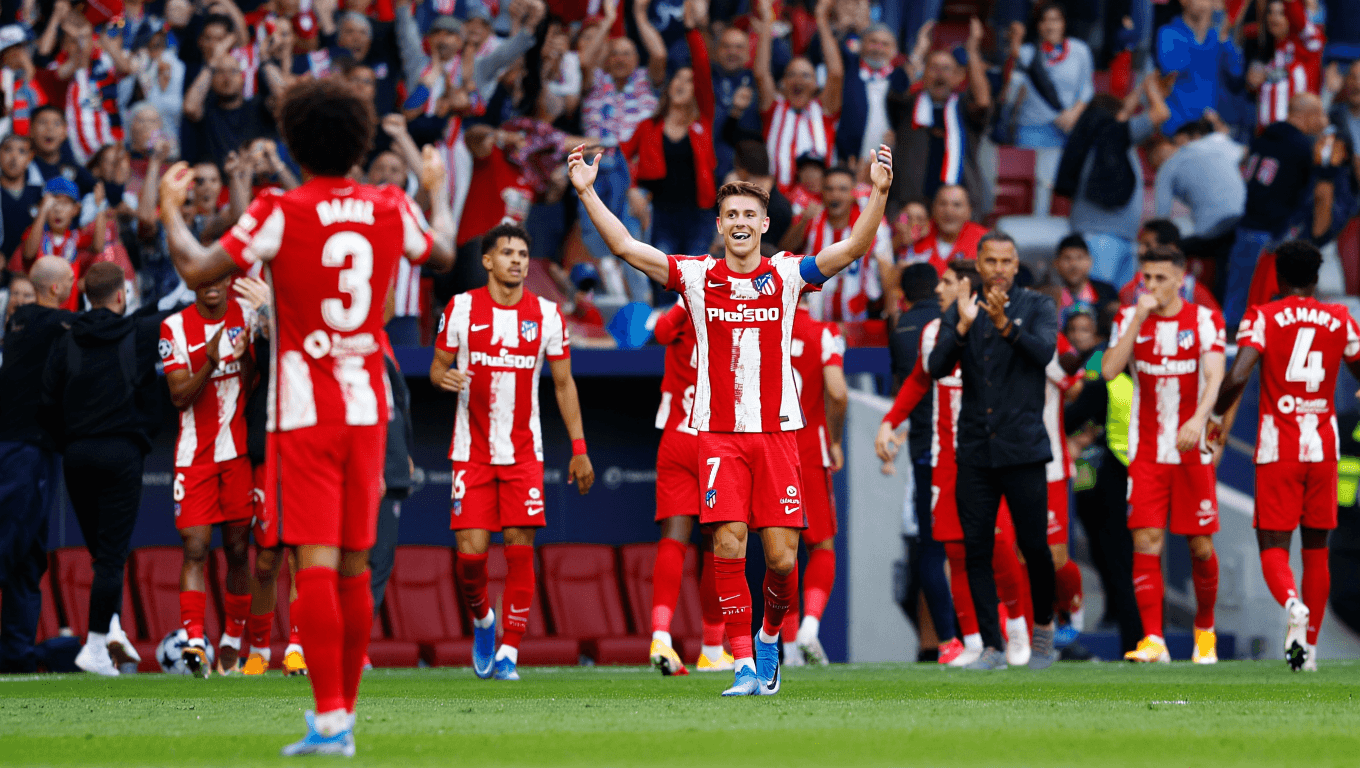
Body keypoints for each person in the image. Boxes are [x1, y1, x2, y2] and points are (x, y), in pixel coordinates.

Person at [157, 77, 456, 754]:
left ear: (293, 141)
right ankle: (343, 716)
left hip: (304, 412)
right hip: (369, 409)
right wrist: (435, 187)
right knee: (356, 567)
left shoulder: (279, 208)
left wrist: (170, 209)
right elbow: (441, 252)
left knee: (314, 566)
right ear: (360, 141)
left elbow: (200, 267)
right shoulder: (390, 204)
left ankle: (329, 721)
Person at [568, 136, 894, 695]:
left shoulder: (788, 275)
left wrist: (880, 194)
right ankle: (742, 663)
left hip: (778, 437)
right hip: (717, 436)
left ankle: (769, 636)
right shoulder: (697, 276)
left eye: (749, 215)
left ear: (764, 225)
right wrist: (587, 192)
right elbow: (625, 246)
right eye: (731, 216)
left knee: (782, 560)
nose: (740, 223)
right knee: (727, 544)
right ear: (719, 226)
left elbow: (853, 248)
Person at [430, 223, 595, 682]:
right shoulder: (462, 308)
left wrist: (579, 447)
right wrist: (444, 379)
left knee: (521, 553)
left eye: (522, 253)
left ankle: (509, 652)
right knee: (471, 557)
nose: (517, 260)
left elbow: (563, 383)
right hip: (472, 452)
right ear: (488, 261)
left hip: (524, 454)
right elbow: (437, 368)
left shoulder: (547, 314)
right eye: (507, 253)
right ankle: (485, 621)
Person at [1210, 241, 1360, 672]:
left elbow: (1238, 374)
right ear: (1316, 279)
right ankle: (1308, 650)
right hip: (1323, 448)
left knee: (1274, 545)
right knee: (1317, 550)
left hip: (1280, 447)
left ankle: (1293, 604)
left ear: (1278, 277)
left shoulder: (1264, 317)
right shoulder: (1341, 317)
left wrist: (1215, 416)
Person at [880, 258, 1033, 668]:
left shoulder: (998, 329)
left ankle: (1017, 625)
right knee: (955, 550)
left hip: (991, 457)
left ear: (967, 288)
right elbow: (918, 380)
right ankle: (974, 642)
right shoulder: (933, 331)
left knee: (998, 544)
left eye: (947, 282)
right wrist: (889, 422)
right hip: (946, 457)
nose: (938, 289)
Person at [927, 232, 1061, 671]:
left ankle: (1043, 631)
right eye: (991, 261)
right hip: (975, 449)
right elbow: (935, 367)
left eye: (1007, 261)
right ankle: (990, 646)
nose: (999, 269)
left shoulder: (1038, 306)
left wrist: (1005, 326)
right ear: (979, 264)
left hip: (1024, 448)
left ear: (1017, 264)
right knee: (976, 549)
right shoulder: (961, 308)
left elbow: (1044, 353)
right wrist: (964, 327)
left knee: (1034, 547)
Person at [40, 262, 173, 677]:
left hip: (77, 455)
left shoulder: (65, 340)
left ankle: (110, 628)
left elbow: (47, 401)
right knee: (111, 557)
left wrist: (69, 440)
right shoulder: (140, 332)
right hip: (121, 453)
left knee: (102, 554)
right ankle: (96, 645)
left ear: (84, 297)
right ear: (121, 296)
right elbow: (179, 312)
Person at [1101, 245, 1225, 664]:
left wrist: (1198, 420)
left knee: (1201, 547)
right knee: (1145, 540)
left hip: (1192, 449)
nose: (1151, 286)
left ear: (1180, 279)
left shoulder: (1204, 319)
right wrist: (1137, 318)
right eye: (1146, 278)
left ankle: (1204, 629)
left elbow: (1215, 375)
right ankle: (1154, 639)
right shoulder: (1127, 317)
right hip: (1147, 449)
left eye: (1160, 279)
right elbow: (1108, 370)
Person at [158, 273, 258, 676]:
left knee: (238, 549)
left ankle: (232, 638)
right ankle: (195, 641)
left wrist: (246, 356)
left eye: (218, 276)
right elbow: (179, 396)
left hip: (237, 454)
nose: (211, 284)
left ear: (229, 278)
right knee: (195, 547)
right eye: (203, 277)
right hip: (194, 456)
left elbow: (257, 380)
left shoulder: (248, 316)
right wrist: (212, 361)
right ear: (191, 281)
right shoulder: (174, 327)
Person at [647, 302, 732, 675]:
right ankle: (712, 648)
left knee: (674, 537)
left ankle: (660, 635)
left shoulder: (687, 306)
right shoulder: (735, 308)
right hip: (717, 442)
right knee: (718, 544)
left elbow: (660, 333)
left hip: (678, 435)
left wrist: (684, 300)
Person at [0, 257, 74, 673]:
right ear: (57, 288)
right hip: (20, 454)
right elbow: (89, 325)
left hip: (36, 452)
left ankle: (16, 653)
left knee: (28, 557)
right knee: (8, 546)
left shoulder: (35, 325)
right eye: (71, 279)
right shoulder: (34, 320)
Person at [1223, 94, 1329, 331]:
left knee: (1237, 302)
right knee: (1266, 306)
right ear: (1309, 115)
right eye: (1320, 114)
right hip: (1275, 233)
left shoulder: (1263, 137)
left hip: (1247, 225)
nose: (1322, 120)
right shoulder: (1303, 146)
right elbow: (1310, 195)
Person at [623, 0, 719, 260]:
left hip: (699, 216)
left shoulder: (703, 121)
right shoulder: (648, 126)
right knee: (663, 276)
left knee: (696, 277)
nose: (681, 84)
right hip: (661, 215)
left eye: (689, 81)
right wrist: (632, 188)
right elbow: (622, 155)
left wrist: (691, 30)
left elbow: (702, 67)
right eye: (678, 78)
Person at [1056, 75, 1170, 288]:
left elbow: (1123, 111)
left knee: (1114, 302)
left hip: (1110, 237)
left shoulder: (1096, 136)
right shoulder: (1114, 134)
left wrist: (1138, 89)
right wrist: (1150, 88)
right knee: (1101, 299)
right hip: (1103, 240)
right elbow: (1161, 113)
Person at [784, 302, 846, 664]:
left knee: (781, 552)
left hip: (769, 452)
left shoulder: (763, 324)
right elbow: (837, 391)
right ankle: (809, 628)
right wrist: (835, 440)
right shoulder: (823, 332)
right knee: (821, 546)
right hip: (809, 452)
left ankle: (789, 646)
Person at [890, 18, 991, 214]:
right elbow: (897, 89)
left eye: (946, 69)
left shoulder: (963, 107)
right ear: (924, 74)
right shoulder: (909, 105)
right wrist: (919, 50)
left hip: (955, 205)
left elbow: (983, 101)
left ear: (958, 76)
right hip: (910, 205)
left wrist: (972, 50)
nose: (940, 74)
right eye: (933, 67)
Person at [1004, 3, 1095, 216]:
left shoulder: (1080, 50)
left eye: (1055, 20)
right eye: (1045, 20)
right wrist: (1014, 55)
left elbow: (1087, 87)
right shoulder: (1027, 53)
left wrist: (1074, 113)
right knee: (1034, 187)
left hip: (1069, 130)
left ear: (1064, 24)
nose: (1050, 25)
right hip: (1032, 128)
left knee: (1064, 188)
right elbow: (1010, 93)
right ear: (1037, 26)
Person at [753, 0, 843, 194]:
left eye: (805, 75)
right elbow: (761, 73)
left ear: (816, 85)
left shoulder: (824, 110)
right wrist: (767, 20)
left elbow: (835, 73)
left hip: (817, 202)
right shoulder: (774, 108)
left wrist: (821, 18)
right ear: (783, 83)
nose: (798, 80)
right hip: (778, 200)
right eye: (792, 74)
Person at [802, 166, 891, 321]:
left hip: (860, 317)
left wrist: (890, 311)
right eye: (829, 189)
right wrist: (803, 221)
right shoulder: (813, 219)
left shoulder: (873, 224)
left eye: (842, 189)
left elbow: (887, 270)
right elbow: (785, 248)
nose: (835, 195)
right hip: (817, 316)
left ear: (853, 192)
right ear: (822, 192)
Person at [1154, 0, 1243, 135]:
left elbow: (1236, 71)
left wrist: (1223, 36)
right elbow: (1172, 67)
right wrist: (1203, 29)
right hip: (1178, 129)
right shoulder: (1168, 33)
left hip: (1211, 127)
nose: (1204, 3)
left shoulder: (1217, 37)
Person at [1251, 0, 1324, 131]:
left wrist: (1291, 4)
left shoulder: (1306, 47)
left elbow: (1300, 20)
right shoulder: (1266, 53)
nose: (1274, 18)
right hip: (1267, 135)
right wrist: (1253, 84)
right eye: (1270, 12)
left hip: (1298, 134)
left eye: (1281, 13)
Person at [902, 184, 987, 276]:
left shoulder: (985, 240)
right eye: (942, 204)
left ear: (969, 211)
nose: (948, 211)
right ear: (933, 209)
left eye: (956, 205)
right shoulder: (917, 232)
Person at [1050, 234, 1117, 323]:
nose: (1074, 265)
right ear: (1056, 263)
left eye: (1080, 258)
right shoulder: (1047, 297)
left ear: (1090, 261)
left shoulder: (1108, 294)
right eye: (1067, 258)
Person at [0, 134, 42, 262]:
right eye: (8, 149)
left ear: (30, 157)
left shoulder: (39, 194)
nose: (14, 157)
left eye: (22, 151)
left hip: (31, 266)